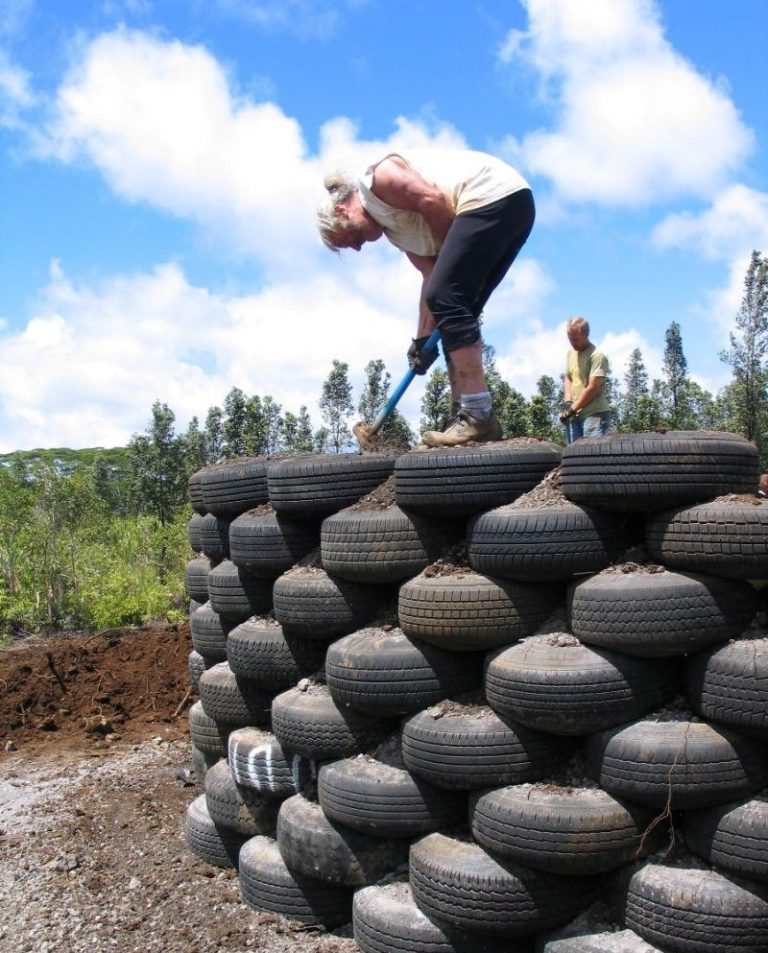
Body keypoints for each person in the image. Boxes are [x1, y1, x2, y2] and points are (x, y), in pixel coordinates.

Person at [316, 148, 535, 447]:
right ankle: (462, 419)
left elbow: (431, 199)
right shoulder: (397, 232)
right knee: (455, 316)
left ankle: (478, 417)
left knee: (449, 299)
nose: (357, 248)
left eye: (351, 240)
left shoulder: (379, 180)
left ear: (342, 211)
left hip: (492, 197)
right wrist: (421, 341)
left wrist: (451, 267)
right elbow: (431, 277)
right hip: (511, 207)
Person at [560, 316, 612, 443]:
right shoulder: (570, 353)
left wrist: (572, 409)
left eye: (575, 339)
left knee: (591, 455)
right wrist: (568, 403)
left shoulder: (597, 356)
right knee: (573, 457)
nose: (572, 342)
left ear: (586, 334)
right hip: (575, 414)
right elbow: (568, 377)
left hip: (594, 414)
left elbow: (593, 388)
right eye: (570, 338)